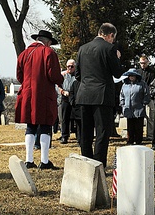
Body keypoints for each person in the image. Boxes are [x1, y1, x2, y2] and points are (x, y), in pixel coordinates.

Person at [74, 24, 125, 165]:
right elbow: (117, 72)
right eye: (113, 38)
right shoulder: (109, 49)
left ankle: (87, 162)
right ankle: (98, 164)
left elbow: (77, 75)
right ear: (110, 35)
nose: (113, 41)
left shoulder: (82, 49)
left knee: (86, 132)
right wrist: (118, 58)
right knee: (102, 132)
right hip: (102, 96)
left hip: (84, 95)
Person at [17, 30, 65, 169]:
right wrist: (61, 80)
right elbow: (54, 75)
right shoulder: (48, 52)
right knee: (45, 125)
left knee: (30, 126)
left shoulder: (23, 54)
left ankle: (29, 160)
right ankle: (44, 161)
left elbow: (19, 76)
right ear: (47, 42)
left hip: (27, 94)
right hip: (44, 94)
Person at [120, 69, 150, 146]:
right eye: (130, 75)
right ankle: (130, 141)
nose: (131, 77)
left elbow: (146, 94)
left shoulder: (142, 84)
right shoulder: (124, 85)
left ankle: (138, 141)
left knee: (138, 126)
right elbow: (122, 95)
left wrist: (144, 103)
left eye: (133, 75)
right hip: (128, 109)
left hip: (139, 108)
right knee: (130, 126)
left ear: (136, 76)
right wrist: (123, 104)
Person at [136, 56, 155, 141]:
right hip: (139, 98)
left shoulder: (152, 72)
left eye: (144, 63)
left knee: (150, 117)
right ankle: (139, 135)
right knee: (139, 117)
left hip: (149, 97)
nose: (143, 65)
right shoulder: (137, 72)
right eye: (141, 63)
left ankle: (150, 135)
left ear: (148, 62)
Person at [57, 59, 78, 144]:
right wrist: (62, 91)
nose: (70, 68)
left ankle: (78, 136)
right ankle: (64, 136)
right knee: (65, 118)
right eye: (68, 66)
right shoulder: (63, 75)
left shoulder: (77, 75)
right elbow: (58, 85)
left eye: (72, 66)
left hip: (75, 98)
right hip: (65, 97)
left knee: (77, 118)